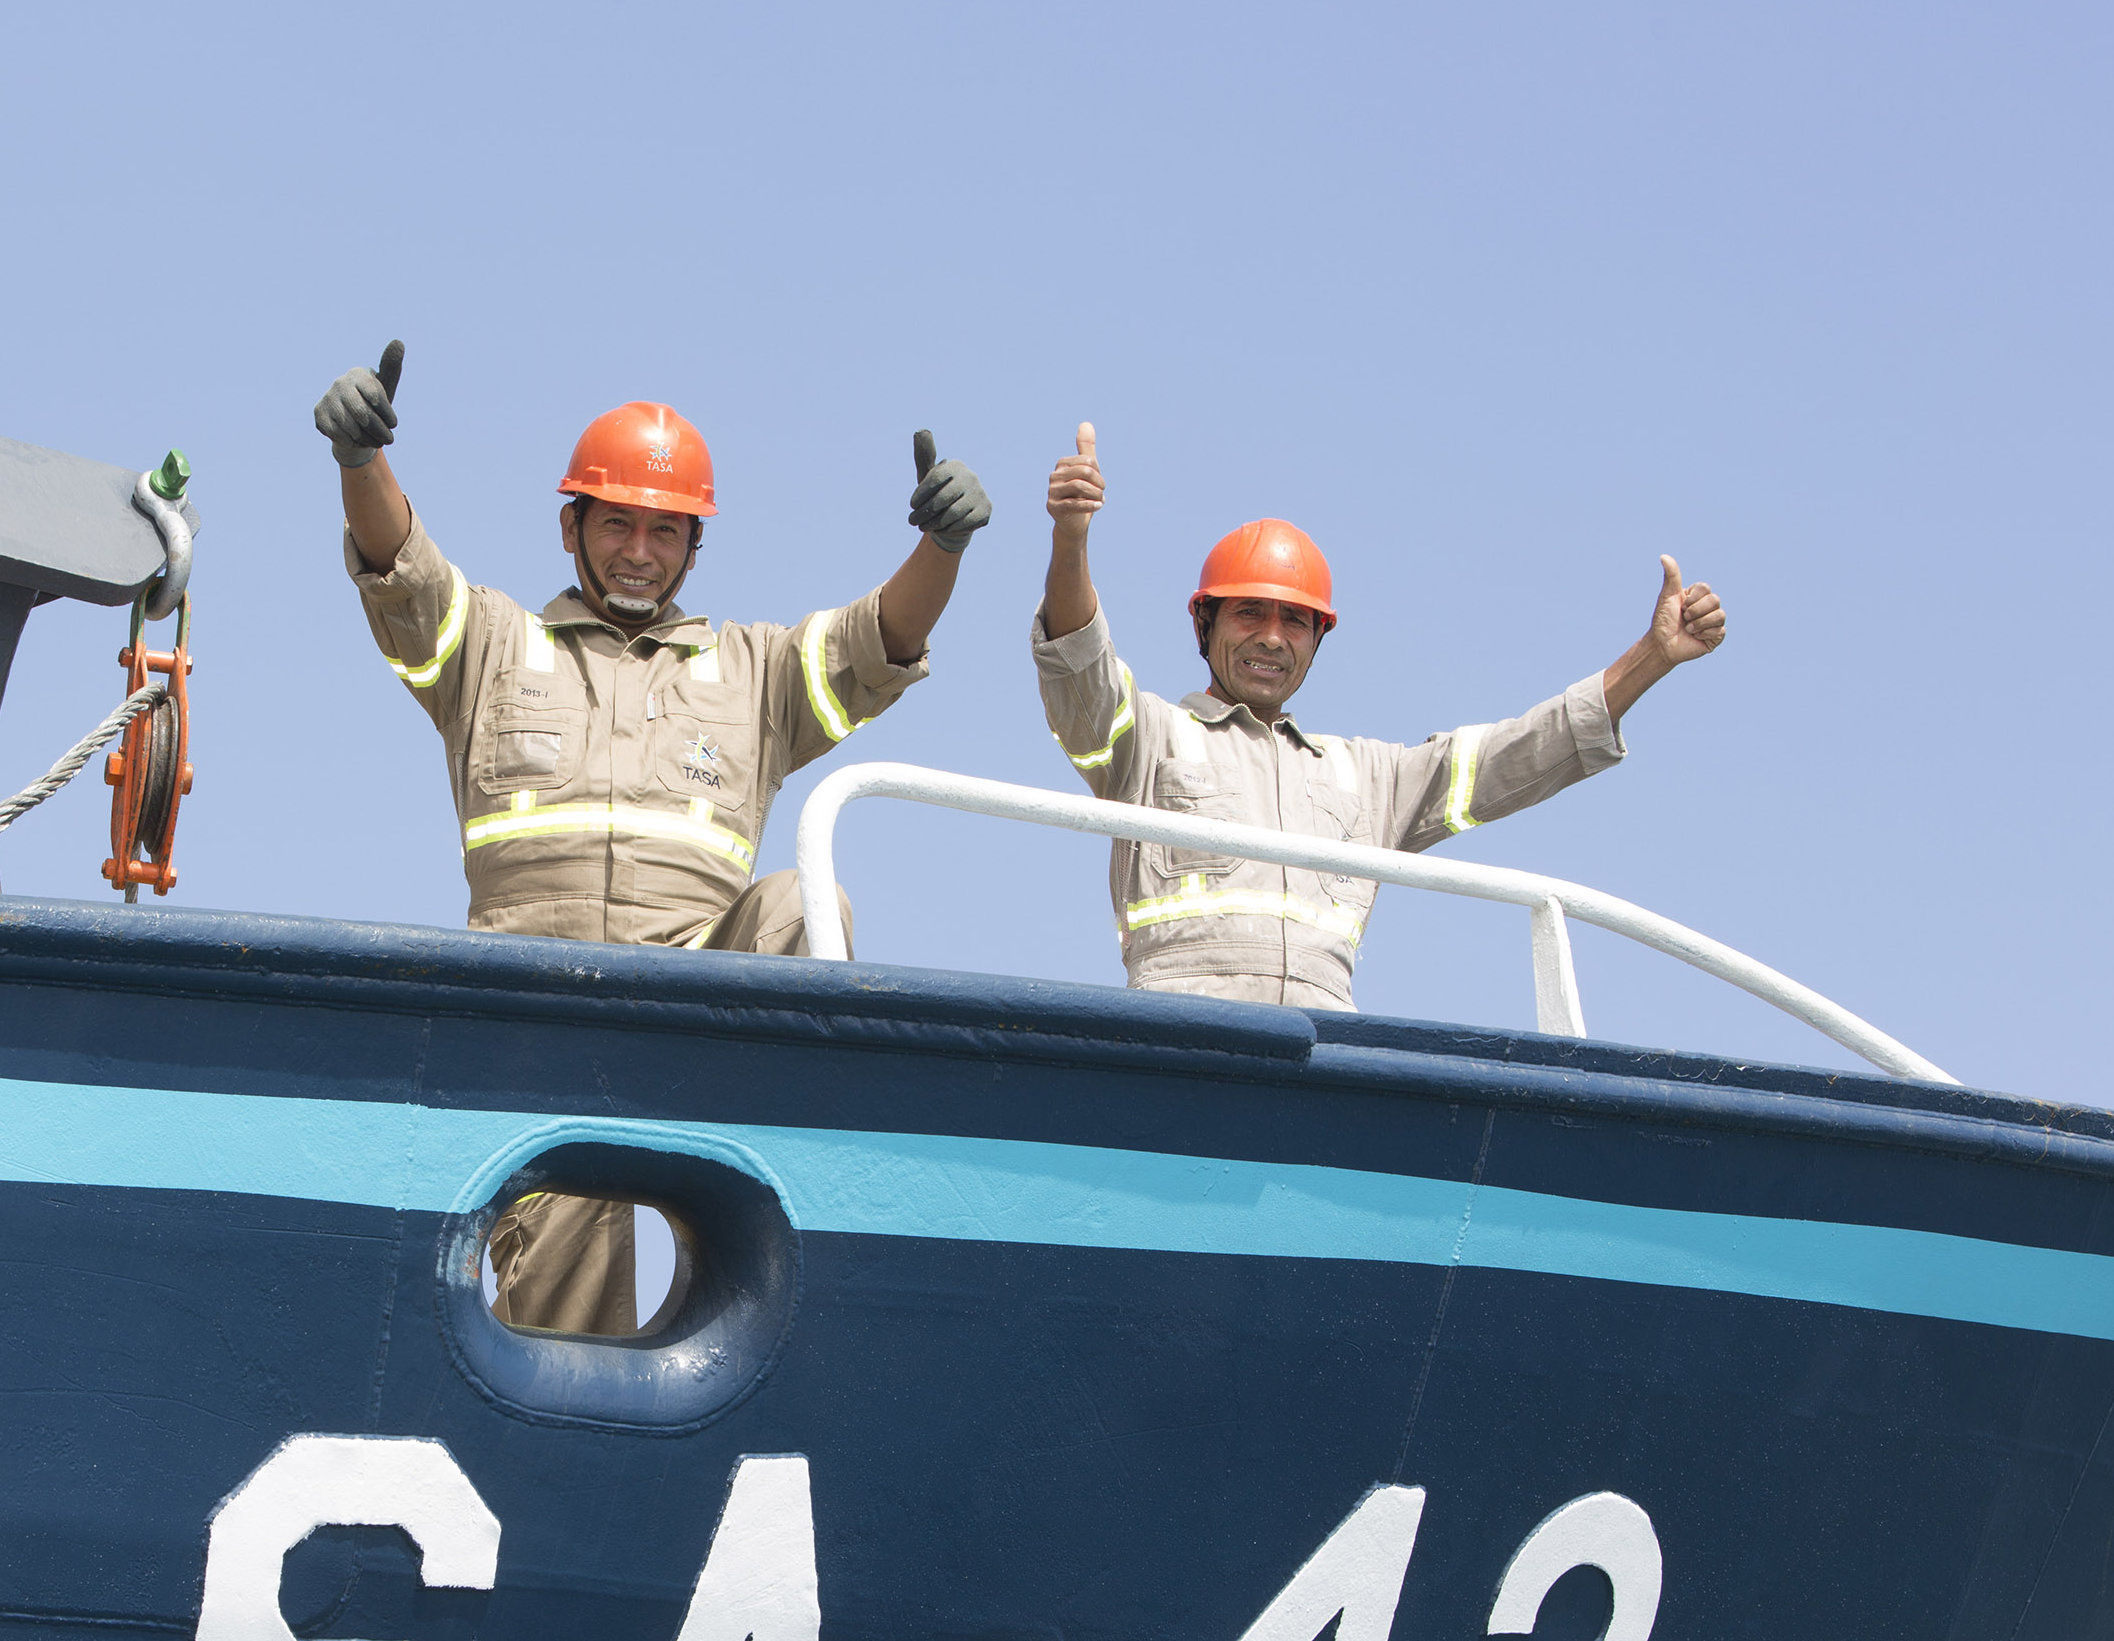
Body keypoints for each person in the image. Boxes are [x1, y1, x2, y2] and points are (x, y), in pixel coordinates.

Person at [319, 339, 990, 1331]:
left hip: (692, 1005)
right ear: (570, 526)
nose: (640, 550)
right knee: (566, 1264)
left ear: (693, 546)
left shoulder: (754, 674)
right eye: (618, 523)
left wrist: (941, 547)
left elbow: (880, 641)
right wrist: (362, 459)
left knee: (806, 904)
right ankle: (558, 1411)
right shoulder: (493, 648)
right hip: (531, 1023)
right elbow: (401, 573)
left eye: (665, 530)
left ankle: (800, 1197)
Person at [1032, 422, 1725, 1009]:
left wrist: (1652, 657)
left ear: (1318, 639)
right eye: (1249, 612)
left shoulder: (1363, 778)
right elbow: (1077, 665)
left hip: (1323, 1055)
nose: (1272, 636)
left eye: (1295, 620)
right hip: (1179, 1037)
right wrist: (1071, 538)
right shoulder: (1150, 741)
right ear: (1204, 625)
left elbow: (1512, 757)